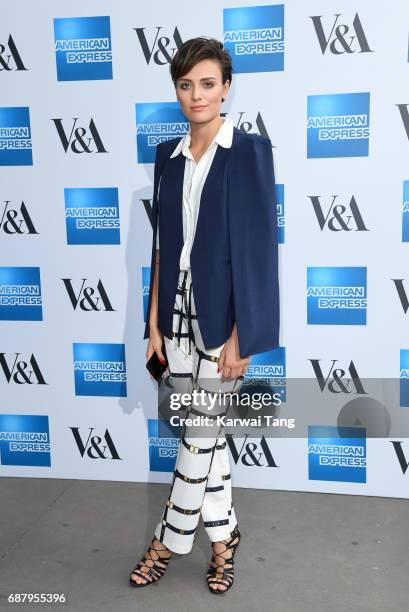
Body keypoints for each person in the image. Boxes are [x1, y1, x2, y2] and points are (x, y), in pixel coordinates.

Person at [129, 37, 279, 594]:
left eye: (208, 83)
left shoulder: (248, 151)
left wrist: (244, 334)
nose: (197, 95)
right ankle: (225, 540)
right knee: (206, 436)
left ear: (227, 86)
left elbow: (259, 247)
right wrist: (152, 322)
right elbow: (163, 247)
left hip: (222, 320)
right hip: (174, 315)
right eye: (187, 84)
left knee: (198, 433)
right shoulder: (166, 155)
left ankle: (165, 542)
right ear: (176, 89)